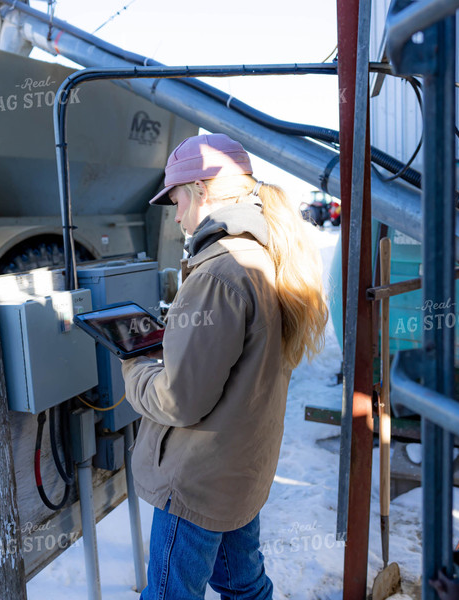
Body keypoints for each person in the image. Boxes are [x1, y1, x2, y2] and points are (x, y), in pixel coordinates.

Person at [121, 133, 329, 600]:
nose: (175, 216)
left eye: (176, 201)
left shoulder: (220, 271)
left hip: (196, 481)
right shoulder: (266, 254)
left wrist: (134, 364)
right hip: (237, 473)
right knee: (244, 587)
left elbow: (180, 399)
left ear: (201, 190)